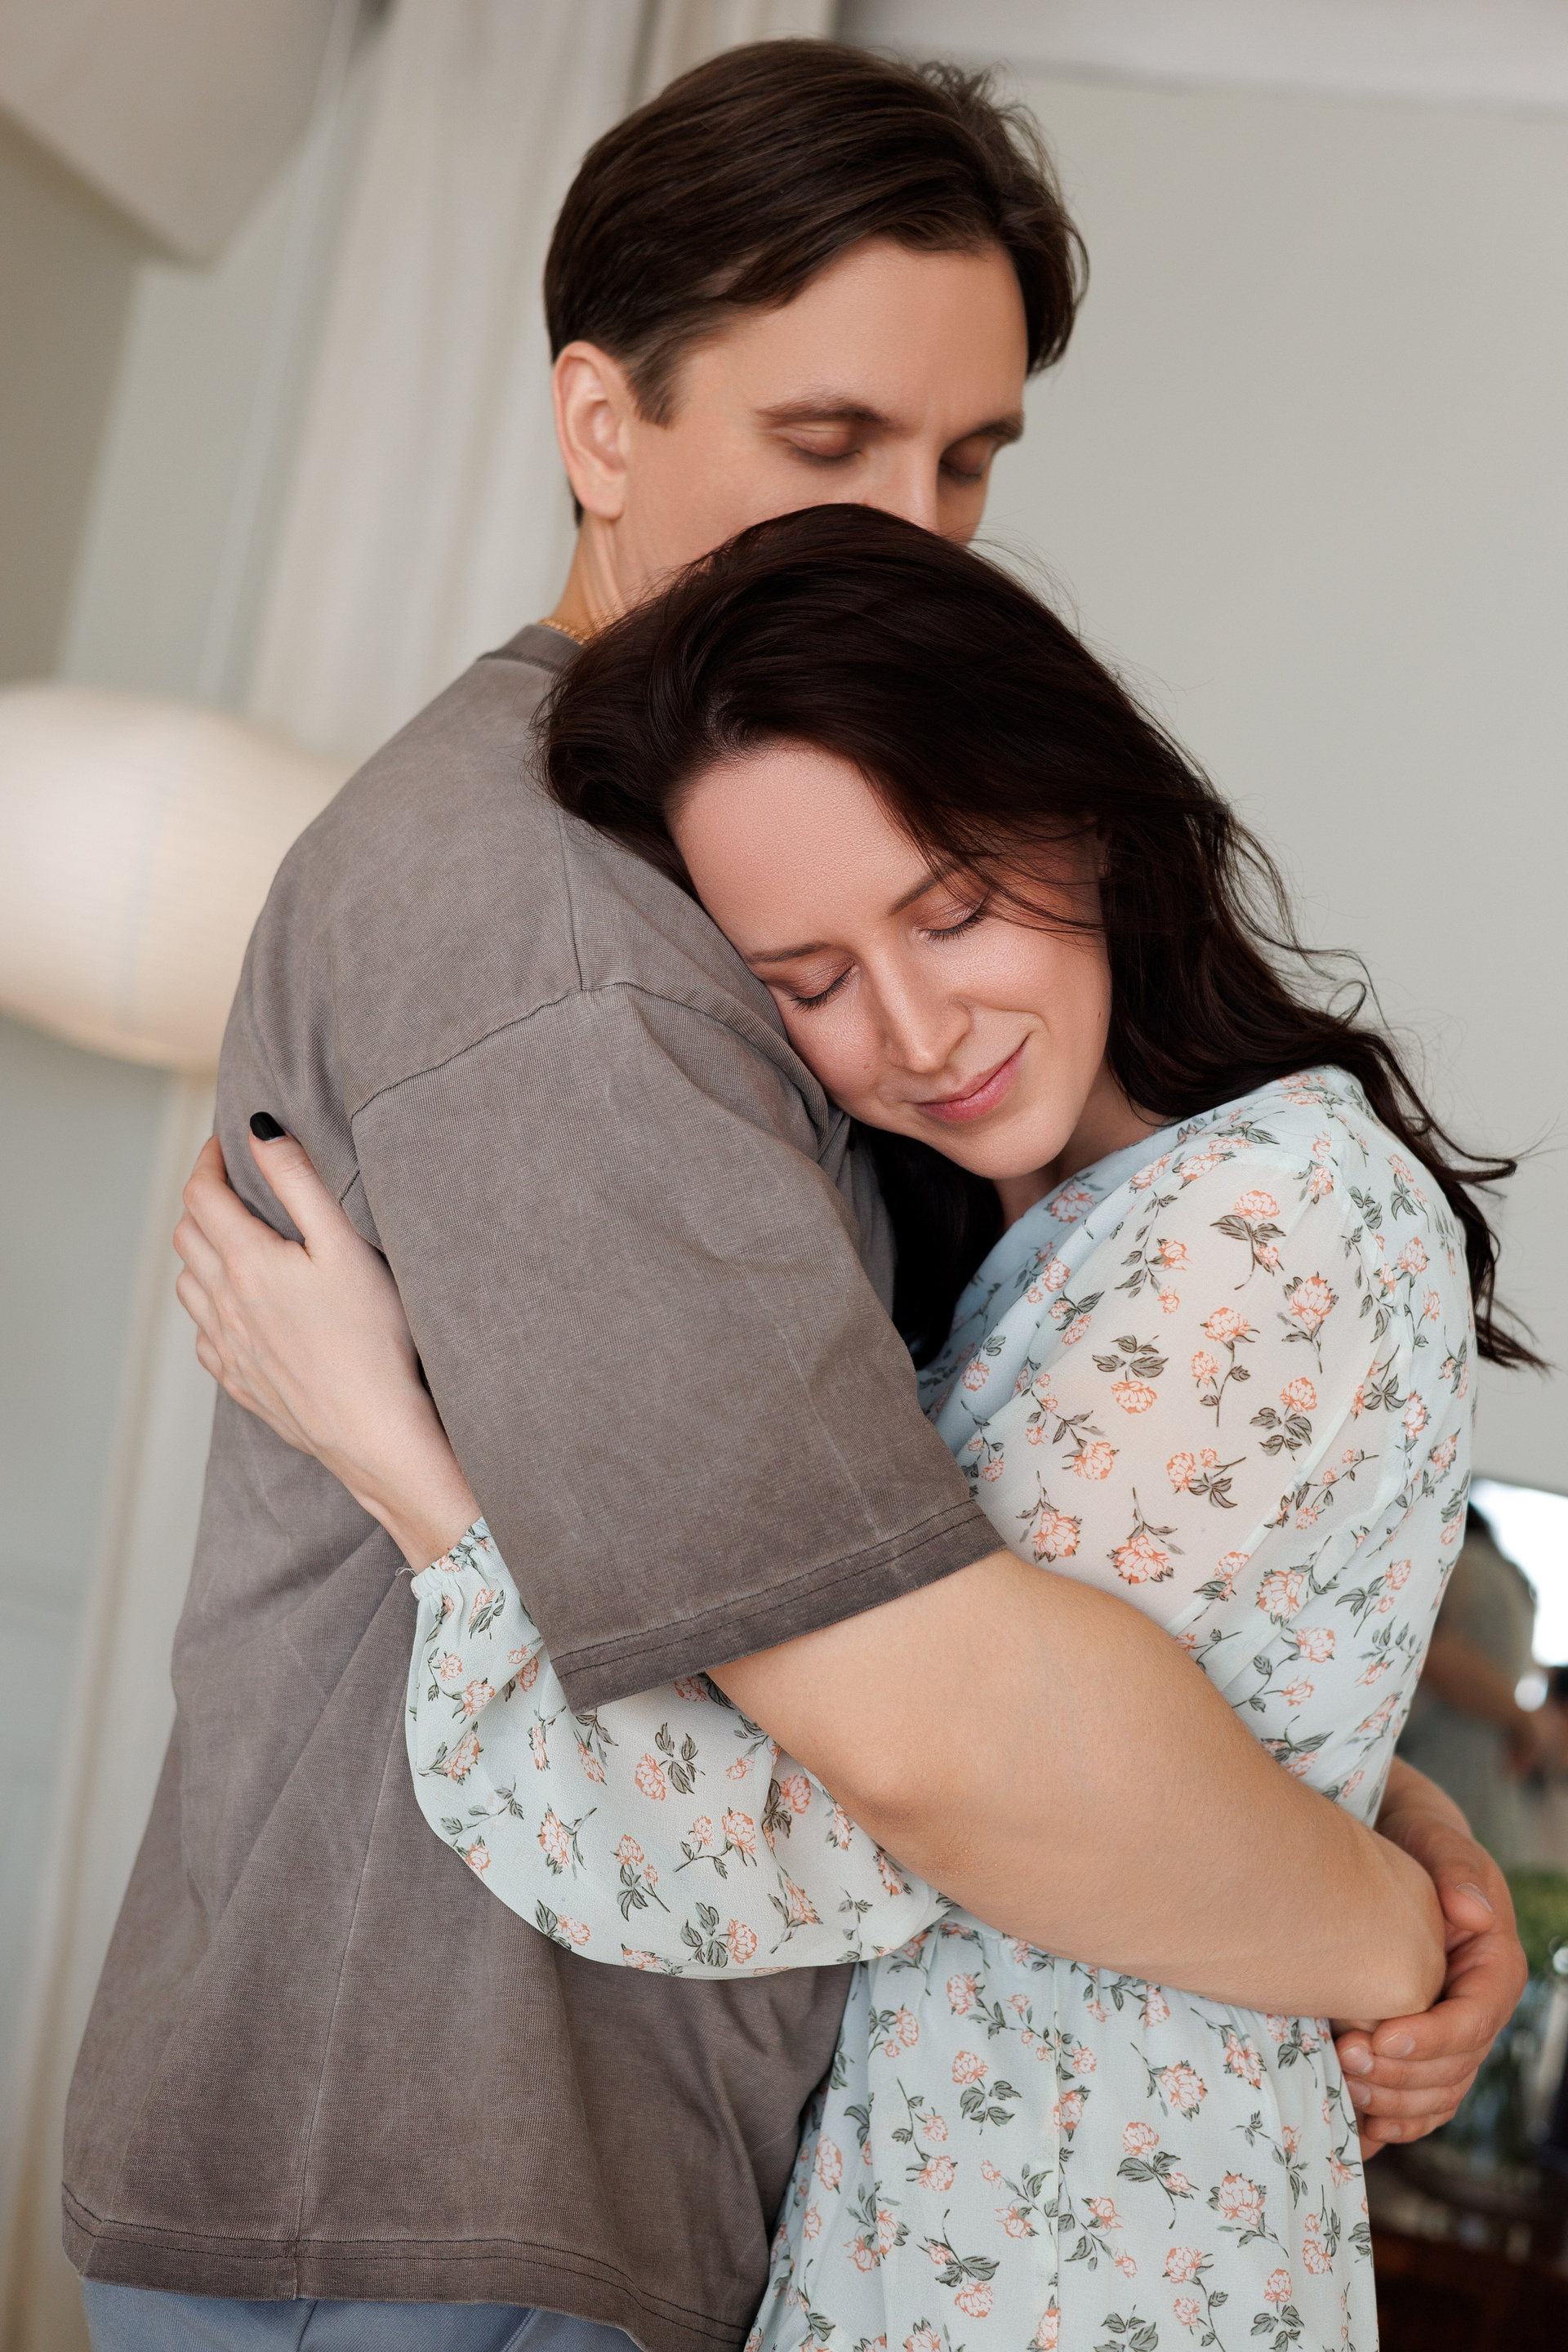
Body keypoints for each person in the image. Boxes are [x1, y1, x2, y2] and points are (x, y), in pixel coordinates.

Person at [71, 39, 1523, 2352]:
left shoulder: (765, 886)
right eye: (830, 442)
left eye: (966, 460)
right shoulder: (560, 921)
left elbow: (1068, 1618)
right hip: (459, 2176)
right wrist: (1360, 1918)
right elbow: (928, 1738)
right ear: (600, 424)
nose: (908, 533)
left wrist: (1383, 1836)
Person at [1399, 1506, 1568, 1869]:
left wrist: (1523, 1722)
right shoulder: (1503, 1581)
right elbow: (1440, 1654)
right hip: (1469, 1808)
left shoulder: (1469, 1563)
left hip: (1442, 1788)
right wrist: (1524, 1721)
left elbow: (1436, 1653)